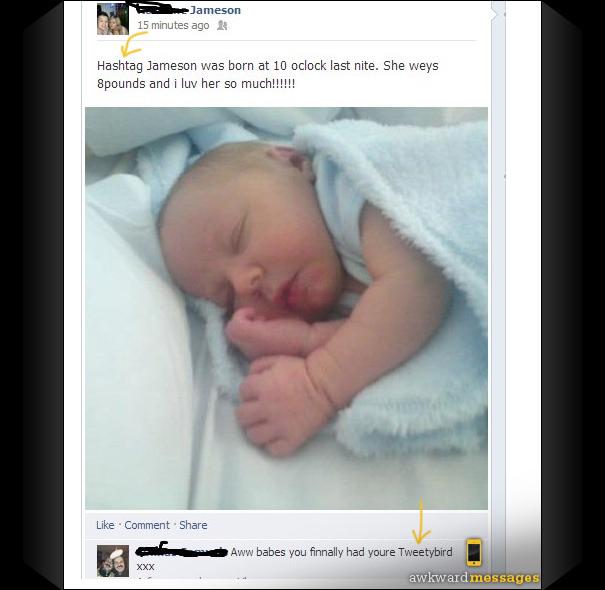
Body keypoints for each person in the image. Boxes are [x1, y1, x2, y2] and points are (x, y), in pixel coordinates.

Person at [158, 142, 451, 457]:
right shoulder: (337, 288)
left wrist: (318, 384)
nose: (243, 284)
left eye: (238, 236)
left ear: (295, 163)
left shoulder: (348, 191)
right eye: (229, 299)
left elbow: (419, 284)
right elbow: (386, 333)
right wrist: (304, 340)